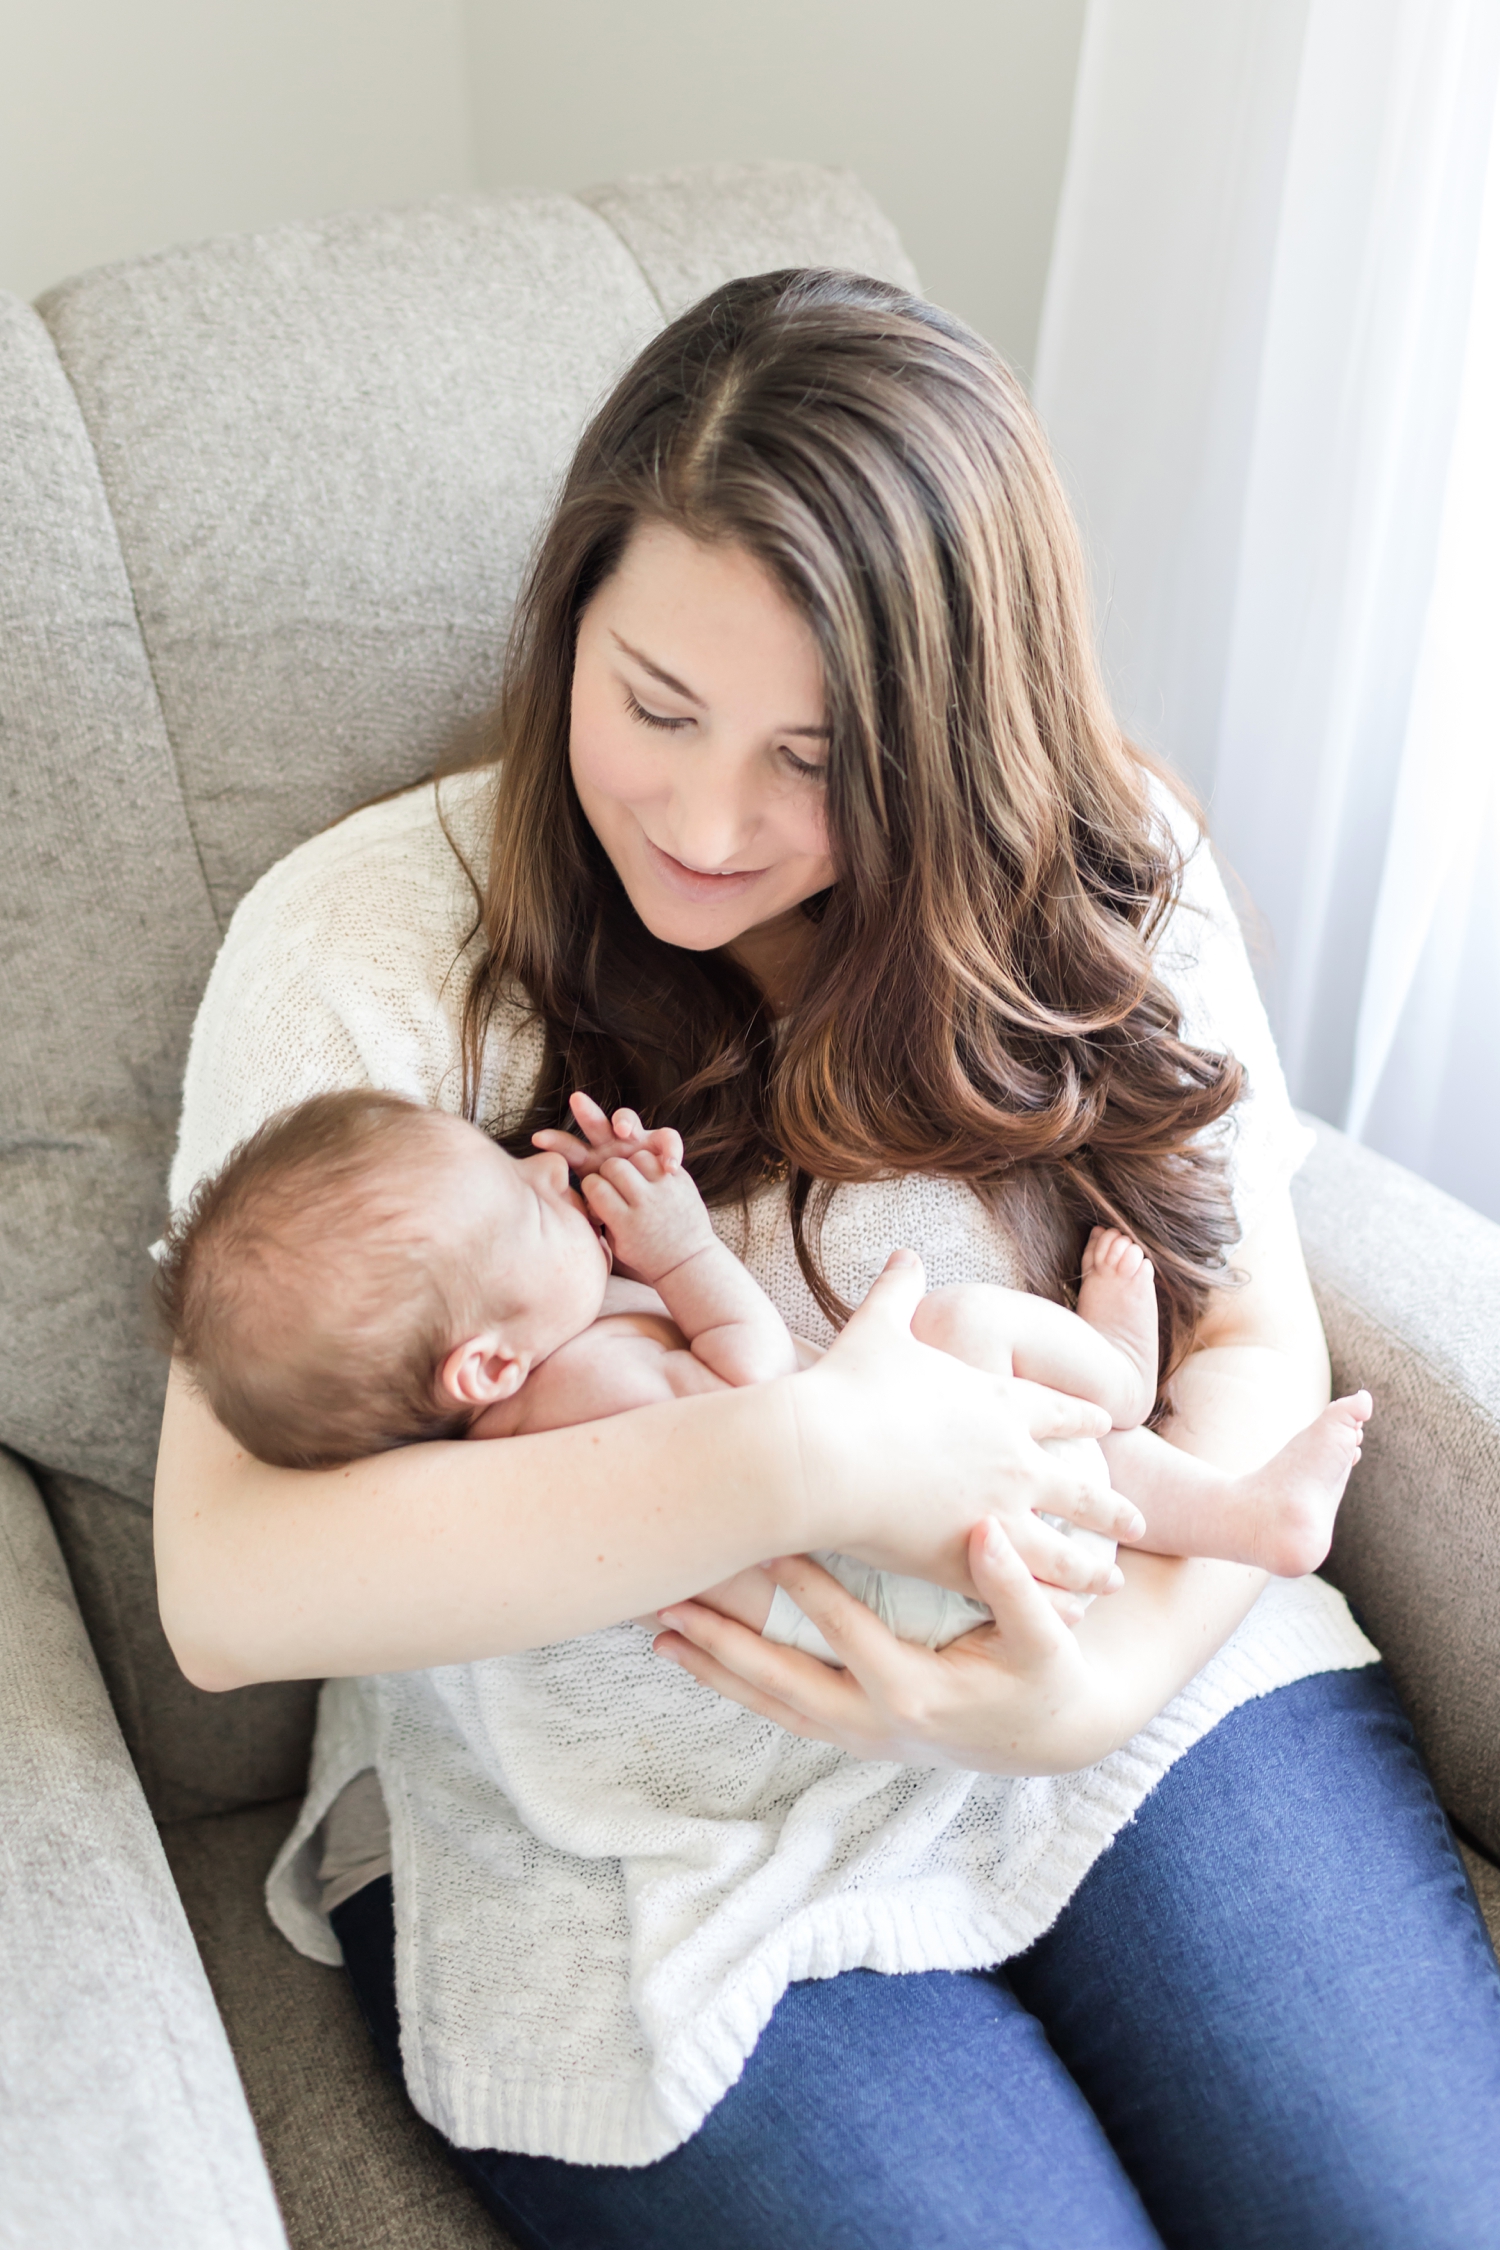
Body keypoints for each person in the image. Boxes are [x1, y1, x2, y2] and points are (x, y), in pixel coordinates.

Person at [152, 269, 1500, 2249]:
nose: (704, 821)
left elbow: (1250, 1321)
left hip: (1128, 1681)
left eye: (817, 758)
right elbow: (224, 1586)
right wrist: (806, 1463)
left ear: (958, 732)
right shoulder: (359, 945)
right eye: (655, 706)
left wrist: (1092, 1675)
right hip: (638, 1824)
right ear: (568, 629)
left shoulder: (1105, 856)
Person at [155, 1082, 1373, 1638]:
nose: (544, 1170)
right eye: (527, 1209)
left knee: (987, 1381)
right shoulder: (588, 1388)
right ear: (482, 1368)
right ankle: (1159, 1425)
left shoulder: (547, 1378)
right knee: (963, 1338)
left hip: (891, 1540)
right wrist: (679, 1246)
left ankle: (1217, 1496)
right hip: (895, 1565)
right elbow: (755, 1387)